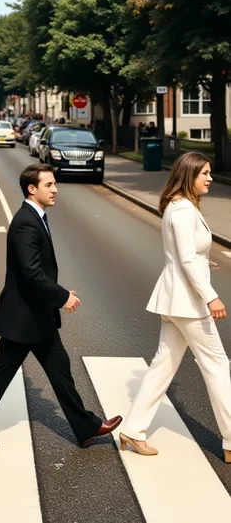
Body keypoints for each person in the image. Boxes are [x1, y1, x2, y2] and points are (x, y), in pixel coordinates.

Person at [0, 164, 122, 451]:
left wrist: (57, 294)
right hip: (25, 317)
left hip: (37, 315)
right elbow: (31, 273)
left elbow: (36, 270)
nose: (55, 189)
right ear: (32, 188)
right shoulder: (26, 221)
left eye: (55, 184)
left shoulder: (35, 217)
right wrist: (62, 295)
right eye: (49, 184)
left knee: (59, 369)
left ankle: (86, 426)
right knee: (1, 373)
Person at [119, 152, 231, 462]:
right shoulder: (182, 210)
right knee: (218, 365)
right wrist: (210, 295)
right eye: (205, 173)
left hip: (175, 299)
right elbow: (184, 259)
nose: (210, 178)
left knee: (163, 365)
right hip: (188, 302)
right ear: (189, 175)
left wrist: (205, 264)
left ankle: (133, 430)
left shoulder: (182, 207)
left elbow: (189, 256)